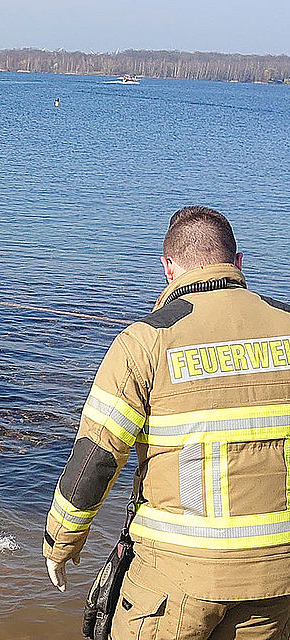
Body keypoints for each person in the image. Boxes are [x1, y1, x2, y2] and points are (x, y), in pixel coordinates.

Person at [44, 206, 290, 639]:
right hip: (278, 578)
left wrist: (60, 543)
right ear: (237, 262)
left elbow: (97, 458)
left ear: (168, 268)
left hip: (176, 578)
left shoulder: (146, 340)